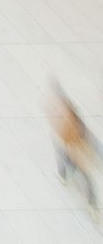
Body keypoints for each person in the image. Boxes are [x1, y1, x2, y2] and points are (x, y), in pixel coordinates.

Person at [53, 82, 99, 215]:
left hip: (75, 148)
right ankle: (92, 204)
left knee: (67, 158)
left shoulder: (70, 119)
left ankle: (92, 204)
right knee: (64, 156)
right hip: (73, 147)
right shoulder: (70, 118)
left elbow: (81, 136)